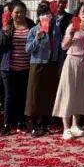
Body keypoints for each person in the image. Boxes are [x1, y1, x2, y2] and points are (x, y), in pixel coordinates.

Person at [54, 4, 84, 140]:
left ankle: (75, 125)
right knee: (68, 93)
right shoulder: (72, 26)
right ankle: (66, 127)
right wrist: (70, 36)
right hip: (72, 61)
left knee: (80, 94)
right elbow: (64, 46)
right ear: (78, 14)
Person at [24, 9, 59, 137]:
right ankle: (32, 124)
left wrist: (59, 64)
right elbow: (28, 49)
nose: (46, 17)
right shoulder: (34, 30)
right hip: (37, 63)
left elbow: (58, 48)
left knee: (48, 94)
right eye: (43, 15)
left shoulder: (56, 29)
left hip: (51, 64)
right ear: (39, 17)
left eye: (48, 15)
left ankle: (44, 124)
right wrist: (37, 38)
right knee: (34, 94)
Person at [0, 4, 31, 135]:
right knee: (9, 96)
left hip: (26, 67)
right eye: (16, 12)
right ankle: (6, 123)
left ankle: (21, 121)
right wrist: (5, 33)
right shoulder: (7, 27)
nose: (19, 15)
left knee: (22, 95)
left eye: (21, 12)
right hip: (8, 67)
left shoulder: (30, 26)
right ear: (11, 14)